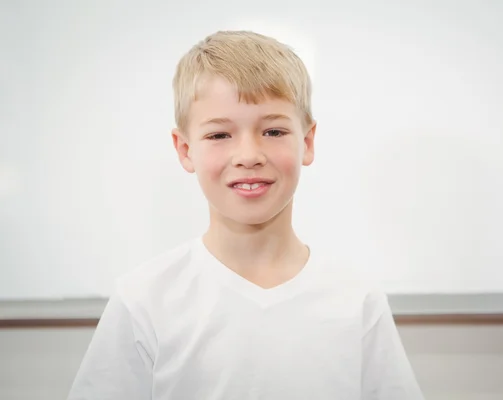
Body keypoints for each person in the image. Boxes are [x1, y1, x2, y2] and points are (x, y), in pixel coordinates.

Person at [67, 30, 424, 400]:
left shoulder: (356, 299)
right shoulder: (143, 299)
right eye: (220, 135)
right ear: (185, 149)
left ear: (307, 141)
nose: (249, 154)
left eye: (273, 130)